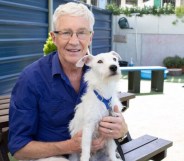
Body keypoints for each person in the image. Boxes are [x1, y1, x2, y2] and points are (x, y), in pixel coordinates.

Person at [8, 2, 128, 161]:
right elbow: (18, 147)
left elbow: (122, 136)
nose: (74, 41)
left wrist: (122, 131)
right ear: (54, 37)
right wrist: (69, 146)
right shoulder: (31, 79)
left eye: (81, 32)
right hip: (51, 157)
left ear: (90, 37)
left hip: (98, 154)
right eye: (66, 32)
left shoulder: (100, 72)